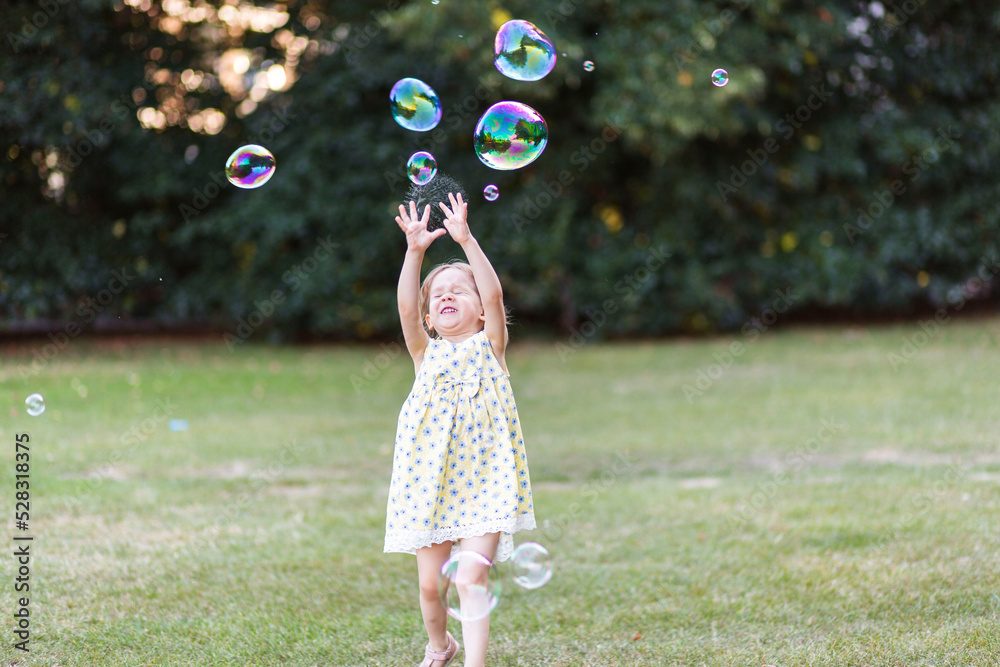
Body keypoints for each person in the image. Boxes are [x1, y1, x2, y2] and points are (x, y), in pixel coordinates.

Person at [385, 193, 535, 667]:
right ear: (430, 318)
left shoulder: (491, 348)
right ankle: (439, 646)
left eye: (460, 289)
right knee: (432, 587)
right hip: (428, 482)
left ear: (483, 312)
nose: (448, 294)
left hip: (486, 482)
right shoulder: (424, 354)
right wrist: (415, 253)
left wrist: (466, 240)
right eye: (439, 293)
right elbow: (406, 308)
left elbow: (494, 293)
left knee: (470, 580)